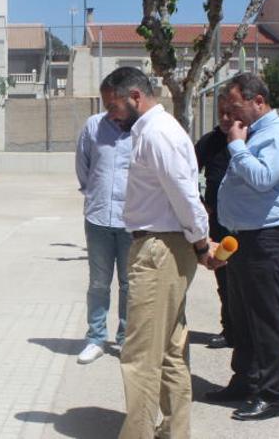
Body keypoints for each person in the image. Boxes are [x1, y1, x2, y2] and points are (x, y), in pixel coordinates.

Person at [102, 66, 222, 439]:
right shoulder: (155, 131)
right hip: (166, 246)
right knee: (170, 350)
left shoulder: (157, 133)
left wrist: (202, 242)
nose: (111, 115)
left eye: (114, 106)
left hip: (159, 250)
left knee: (140, 356)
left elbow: (185, 195)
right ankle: (173, 431)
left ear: (135, 97)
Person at [206, 73, 279, 422]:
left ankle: (271, 395)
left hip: (266, 240)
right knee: (241, 316)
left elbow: (262, 179)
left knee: (265, 320)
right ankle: (244, 381)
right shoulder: (253, 134)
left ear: (258, 101)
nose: (229, 116)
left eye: (235, 107)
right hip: (242, 238)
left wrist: (235, 145)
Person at [75, 92, 134, 364]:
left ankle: (125, 339)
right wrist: (93, 192)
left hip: (132, 220)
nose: (110, 111)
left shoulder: (143, 129)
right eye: (107, 105)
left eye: (115, 105)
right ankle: (96, 338)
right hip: (98, 217)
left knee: (129, 284)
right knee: (98, 283)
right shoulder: (93, 125)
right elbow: (83, 165)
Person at [195, 93, 234, 349]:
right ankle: (229, 329)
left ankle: (246, 331)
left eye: (230, 112)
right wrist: (200, 204)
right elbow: (185, 175)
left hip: (247, 227)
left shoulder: (253, 140)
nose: (225, 117)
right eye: (221, 112)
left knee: (245, 285)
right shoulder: (208, 142)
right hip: (218, 226)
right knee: (225, 281)